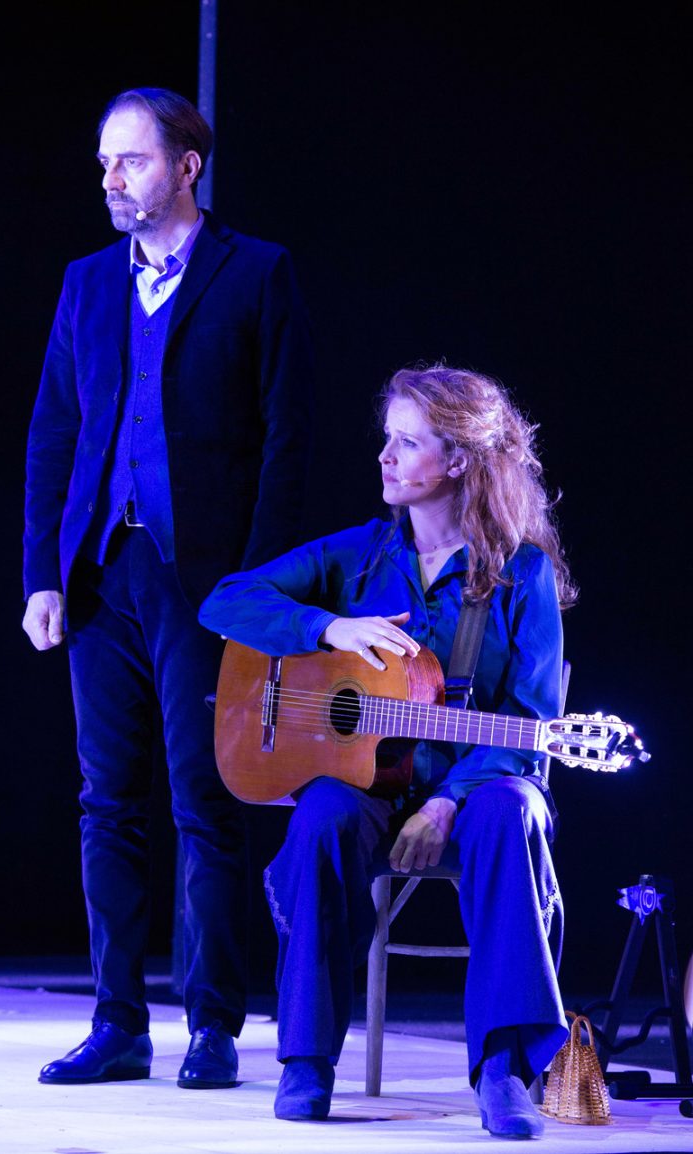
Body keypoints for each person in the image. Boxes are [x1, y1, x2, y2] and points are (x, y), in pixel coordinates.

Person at [198, 362, 578, 1137]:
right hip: (370, 785)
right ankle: (307, 1061)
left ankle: (504, 1069)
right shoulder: (359, 556)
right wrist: (326, 628)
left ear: (458, 460)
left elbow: (532, 723)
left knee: (511, 812)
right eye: (387, 438)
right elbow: (225, 602)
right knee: (322, 817)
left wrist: (444, 804)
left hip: (476, 790)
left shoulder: (521, 574)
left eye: (407, 442)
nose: (385, 455)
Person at [22, 87, 314, 1089]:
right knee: (105, 800)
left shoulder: (257, 272)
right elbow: (54, 433)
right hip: (102, 572)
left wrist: (258, 591)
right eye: (105, 162)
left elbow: (285, 443)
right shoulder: (88, 282)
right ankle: (118, 1020)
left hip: (207, 580)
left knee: (205, 795)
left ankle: (214, 1023)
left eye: (132, 160)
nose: (111, 178)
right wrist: (43, 575)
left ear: (187, 165)